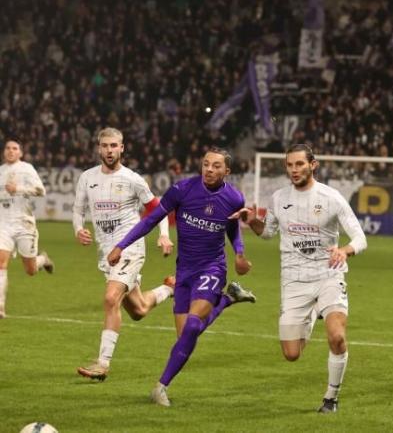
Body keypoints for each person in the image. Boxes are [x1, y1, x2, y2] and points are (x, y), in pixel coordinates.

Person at [107, 147, 256, 407]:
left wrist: (240, 254)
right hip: (184, 270)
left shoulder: (234, 198)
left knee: (193, 325)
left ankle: (160, 387)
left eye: (216, 166)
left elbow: (232, 230)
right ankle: (228, 299)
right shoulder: (183, 189)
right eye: (206, 164)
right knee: (186, 336)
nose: (209, 169)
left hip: (212, 267)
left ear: (227, 171)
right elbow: (150, 220)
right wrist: (121, 245)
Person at [232, 144, 367, 414]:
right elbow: (268, 232)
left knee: (337, 337)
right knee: (291, 354)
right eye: (290, 165)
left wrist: (344, 250)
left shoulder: (331, 197)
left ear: (312, 165)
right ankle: (314, 311)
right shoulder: (280, 197)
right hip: (294, 280)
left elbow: (360, 238)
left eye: (299, 164)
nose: (294, 170)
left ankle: (331, 398)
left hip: (328, 273)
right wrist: (251, 221)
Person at [73, 127, 176, 380]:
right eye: (105, 145)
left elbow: (158, 210)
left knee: (110, 299)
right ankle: (171, 288)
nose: (109, 150)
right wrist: (78, 229)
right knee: (138, 310)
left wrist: (164, 235)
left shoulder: (133, 179)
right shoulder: (87, 178)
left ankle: (102, 364)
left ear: (122, 148)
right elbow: (78, 210)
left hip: (130, 248)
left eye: (114, 146)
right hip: (106, 253)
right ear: (99, 148)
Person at [0, 139, 54, 318]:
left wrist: (18, 189)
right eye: (7, 148)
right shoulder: (0, 171)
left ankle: (43, 259)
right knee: (1, 262)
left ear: (20, 153)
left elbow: (41, 191)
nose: (10, 151)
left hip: (24, 223)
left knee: (30, 270)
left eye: (14, 148)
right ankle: (0, 307)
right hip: (4, 223)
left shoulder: (27, 169)